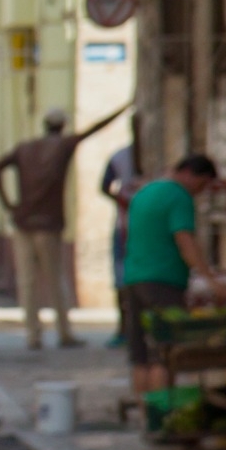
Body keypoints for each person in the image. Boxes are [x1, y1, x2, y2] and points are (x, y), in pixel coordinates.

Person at [0, 102, 131, 349]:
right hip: (48, 223)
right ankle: (64, 333)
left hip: (23, 222)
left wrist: (10, 205)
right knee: (55, 280)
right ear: (62, 126)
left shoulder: (25, 148)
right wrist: (124, 108)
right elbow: (93, 130)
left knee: (27, 281)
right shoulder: (63, 146)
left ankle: (33, 335)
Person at [121, 153, 226, 394]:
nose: (201, 192)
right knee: (164, 355)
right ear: (189, 175)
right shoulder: (179, 196)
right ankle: (163, 418)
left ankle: (147, 419)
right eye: (202, 185)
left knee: (140, 357)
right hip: (163, 282)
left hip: (133, 278)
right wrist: (212, 282)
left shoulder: (145, 193)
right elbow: (184, 239)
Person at [100, 120, 145, 348]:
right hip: (124, 228)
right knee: (121, 279)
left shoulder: (154, 155)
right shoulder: (120, 157)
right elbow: (104, 185)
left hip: (146, 230)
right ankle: (123, 328)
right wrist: (123, 201)